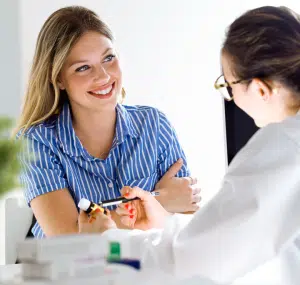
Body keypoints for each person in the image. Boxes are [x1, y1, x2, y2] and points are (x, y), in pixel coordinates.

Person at [78, 6, 300, 284]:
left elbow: (194, 264)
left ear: (259, 89)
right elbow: (229, 240)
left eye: (229, 86)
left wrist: (105, 244)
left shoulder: (282, 149)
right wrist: (164, 223)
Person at [15, 6, 201, 238]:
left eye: (108, 58)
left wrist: (169, 205)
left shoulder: (154, 124)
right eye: (83, 68)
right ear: (59, 79)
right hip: (71, 271)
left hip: (146, 268)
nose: (103, 76)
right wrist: (161, 202)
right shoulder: (35, 142)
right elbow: (67, 237)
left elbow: (188, 220)